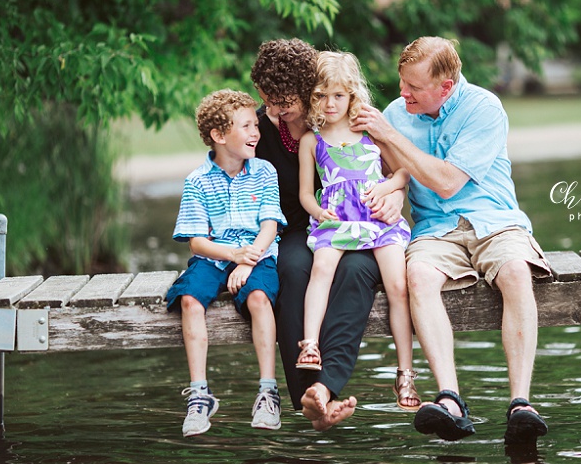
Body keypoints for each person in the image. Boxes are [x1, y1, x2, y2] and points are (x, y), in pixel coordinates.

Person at [353, 36, 552, 444]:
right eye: (401, 83)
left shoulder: (483, 108)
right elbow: (395, 174)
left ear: (445, 86)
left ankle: (521, 403)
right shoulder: (396, 113)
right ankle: (450, 400)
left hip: (494, 220)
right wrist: (391, 194)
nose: (403, 93)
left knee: (515, 271)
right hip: (434, 230)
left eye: (414, 87)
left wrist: (391, 135)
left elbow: (446, 182)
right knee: (419, 277)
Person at [250, 39, 410, 430]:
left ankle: (327, 387)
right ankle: (309, 397)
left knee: (355, 273)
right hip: (292, 225)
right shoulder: (262, 127)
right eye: (269, 101)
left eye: (285, 101)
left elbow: (390, 169)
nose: (276, 111)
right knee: (292, 270)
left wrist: (395, 195)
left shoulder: (349, 121)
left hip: (360, 223)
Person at [295, 51, 419, 412]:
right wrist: (319, 211)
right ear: (311, 97)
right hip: (337, 219)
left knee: (398, 284)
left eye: (338, 95)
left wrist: (387, 189)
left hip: (378, 218)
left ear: (352, 94)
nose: (329, 103)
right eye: (320, 95)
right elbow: (306, 192)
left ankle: (406, 373)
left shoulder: (368, 129)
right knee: (321, 269)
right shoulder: (311, 140)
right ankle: (311, 345)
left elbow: (401, 172)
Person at [164, 89, 287, 437]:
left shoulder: (264, 172)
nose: (256, 132)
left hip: (257, 254)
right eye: (246, 126)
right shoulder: (197, 181)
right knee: (190, 299)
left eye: (255, 125)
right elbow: (196, 241)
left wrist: (248, 261)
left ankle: (267, 391)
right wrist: (232, 256)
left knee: (260, 298)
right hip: (215, 257)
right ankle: (200, 395)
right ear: (219, 136)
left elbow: (269, 226)